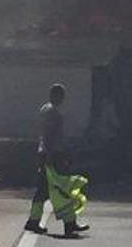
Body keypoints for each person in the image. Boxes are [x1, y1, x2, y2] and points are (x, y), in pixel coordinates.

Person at [24, 83, 90, 238]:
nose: (62, 99)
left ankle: (33, 221)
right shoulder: (53, 113)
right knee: (63, 189)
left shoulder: (45, 110)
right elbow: (50, 136)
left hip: (46, 154)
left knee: (43, 190)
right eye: (61, 96)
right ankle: (69, 224)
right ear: (57, 96)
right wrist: (55, 155)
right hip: (53, 156)